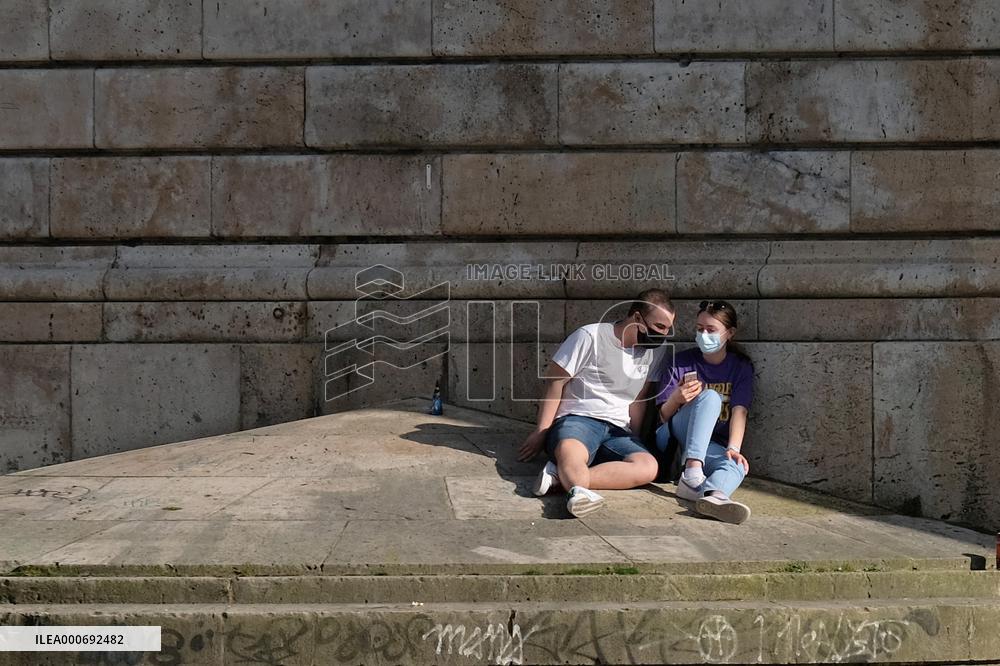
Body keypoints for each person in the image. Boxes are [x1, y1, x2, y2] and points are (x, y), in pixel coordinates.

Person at [516, 288, 675, 518]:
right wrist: (541, 431)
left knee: (648, 467)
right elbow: (555, 382)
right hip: (578, 420)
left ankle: (562, 477)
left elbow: (639, 399)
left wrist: (636, 438)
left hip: (618, 430)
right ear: (637, 318)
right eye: (659, 326)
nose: (664, 334)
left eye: (668, 328)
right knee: (570, 451)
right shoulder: (589, 336)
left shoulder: (656, 352)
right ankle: (577, 492)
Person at [654, 300, 754, 524]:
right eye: (700, 329)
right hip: (673, 438)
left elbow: (740, 411)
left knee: (735, 463)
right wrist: (676, 398)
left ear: (729, 333)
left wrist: (733, 448)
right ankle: (692, 472)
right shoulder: (680, 362)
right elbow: (662, 417)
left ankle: (715, 497)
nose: (704, 335)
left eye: (711, 330)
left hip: (710, 445)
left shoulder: (740, 366)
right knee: (710, 397)